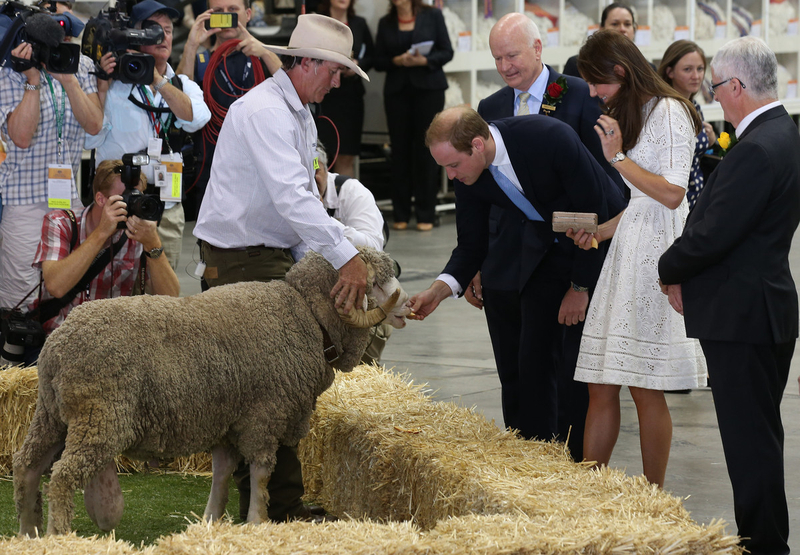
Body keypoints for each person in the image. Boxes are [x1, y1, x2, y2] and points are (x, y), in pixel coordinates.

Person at [193, 13, 370, 523]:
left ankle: (270, 504)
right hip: (243, 257)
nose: (337, 82)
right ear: (308, 62)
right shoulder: (269, 112)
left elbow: (299, 195)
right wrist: (347, 256)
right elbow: (293, 198)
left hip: (259, 254)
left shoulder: (294, 110)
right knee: (272, 382)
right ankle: (278, 509)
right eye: (334, 71)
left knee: (274, 379)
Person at [407, 106, 623, 449]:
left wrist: (579, 288)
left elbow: (594, 215)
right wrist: (439, 290)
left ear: (478, 145)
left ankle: (577, 461)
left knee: (575, 367)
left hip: (603, 240)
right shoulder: (468, 173)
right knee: (531, 361)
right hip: (546, 248)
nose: (450, 176)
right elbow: (471, 245)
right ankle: (534, 457)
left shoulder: (549, 138)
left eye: (452, 165)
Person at [659, 36, 800, 555]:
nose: (714, 96)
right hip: (762, 311)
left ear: (737, 85)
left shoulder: (757, 149)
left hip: (744, 318)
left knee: (750, 446)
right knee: (758, 440)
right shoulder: (782, 134)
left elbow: (713, 234)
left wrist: (666, 267)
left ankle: (764, 546)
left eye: (716, 86)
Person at [473, 12, 625, 461]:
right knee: (515, 376)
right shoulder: (490, 108)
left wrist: (582, 282)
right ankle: (523, 466)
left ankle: (567, 469)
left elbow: (602, 192)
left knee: (563, 377)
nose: (505, 66)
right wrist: (478, 262)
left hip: (563, 261)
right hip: (505, 267)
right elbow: (481, 196)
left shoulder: (578, 96)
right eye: (497, 57)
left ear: (539, 49)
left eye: (513, 55)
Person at [567, 30, 706, 488]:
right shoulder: (636, 109)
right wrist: (601, 231)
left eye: (595, 81)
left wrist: (619, 156)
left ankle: (652, 498)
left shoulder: (670, 111)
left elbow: (671, 194)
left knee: (645, 385)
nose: (591, 92)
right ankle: (591, 490)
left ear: (620, 71)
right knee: (600, 381)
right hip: (627, 252)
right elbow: (639, 201)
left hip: (657, 257)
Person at [85, 0, 212, 270]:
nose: (163, 37)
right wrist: (102, 88)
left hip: (166, 210)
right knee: (115, 293)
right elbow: (89, 139)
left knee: (163, 300)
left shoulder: (181, 85)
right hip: (118, 208)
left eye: (167, 30)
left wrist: (157, 80)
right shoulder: (112, 85)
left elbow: (195, 119)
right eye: (154, 30)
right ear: (135, 36)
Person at [0, 21, 103, 343]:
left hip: (67, 200)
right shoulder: (10, 68)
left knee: (66, 293)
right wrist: (33, 80)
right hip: (23, 199)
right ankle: (16, 378)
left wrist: (68, 80)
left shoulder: (80, 64)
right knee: (21, 299)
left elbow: (94, 125)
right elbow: (20, 137)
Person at [32, 159, 180, 333]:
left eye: (137, 198)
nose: (132, 205)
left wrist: (152, 243)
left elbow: (171, 299)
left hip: (113, 338)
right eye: (126, 198)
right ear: (100, 199)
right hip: (63, 334)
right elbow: (56, 287)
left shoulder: (138, 232)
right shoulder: (61, 223)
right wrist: (101, 233)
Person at [175, 0, 282, 220]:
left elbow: (292, 89)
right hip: (212, 166)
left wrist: (264, 52)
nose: (227, 17)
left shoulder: (263, 57)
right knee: (212, 244)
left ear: (248, 14)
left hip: (259, 165)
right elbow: (178, 98)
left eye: (233, 10)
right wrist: (191, 45)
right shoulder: (201, 59)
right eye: (219, 12)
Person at [374, 0, 453, 232]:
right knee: (399, 150)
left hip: (429, 90)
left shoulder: (432, 16)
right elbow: (378, 61)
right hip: (398, 92)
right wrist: (396, 61)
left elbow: (447, 51)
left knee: (427, 149)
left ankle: (426, 212)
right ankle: (400, 213)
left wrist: (425, 60)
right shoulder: (385, 22)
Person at [315, 142, 391, 364]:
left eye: (315, 172)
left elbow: (374, 247)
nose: (309, 182)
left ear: (326, 168)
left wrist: (319, 220)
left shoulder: (350, 191)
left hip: (360, 287)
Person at [314, 0, 374, 178]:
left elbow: (372, 56)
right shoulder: (317, 21)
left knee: (346, 156)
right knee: (318, 156)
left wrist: (356, 65)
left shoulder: (359, 23)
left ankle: (344, 204)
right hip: (322, 96)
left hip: (350, 98)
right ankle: (321, 203)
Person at [658, 40, 717, 208]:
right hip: (675, 202)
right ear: (670, 72)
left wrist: (712, 141)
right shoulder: (665, 109)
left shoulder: (694, 106)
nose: (696, 76)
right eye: (687, 69)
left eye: (700, 69)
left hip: (697, 198)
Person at [563, 3, 637, 78]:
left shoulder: (644, 68)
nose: (622, 29)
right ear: (602, 29)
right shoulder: (579, 64)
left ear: (634, 30)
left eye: (627, 24)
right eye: (615, 24)